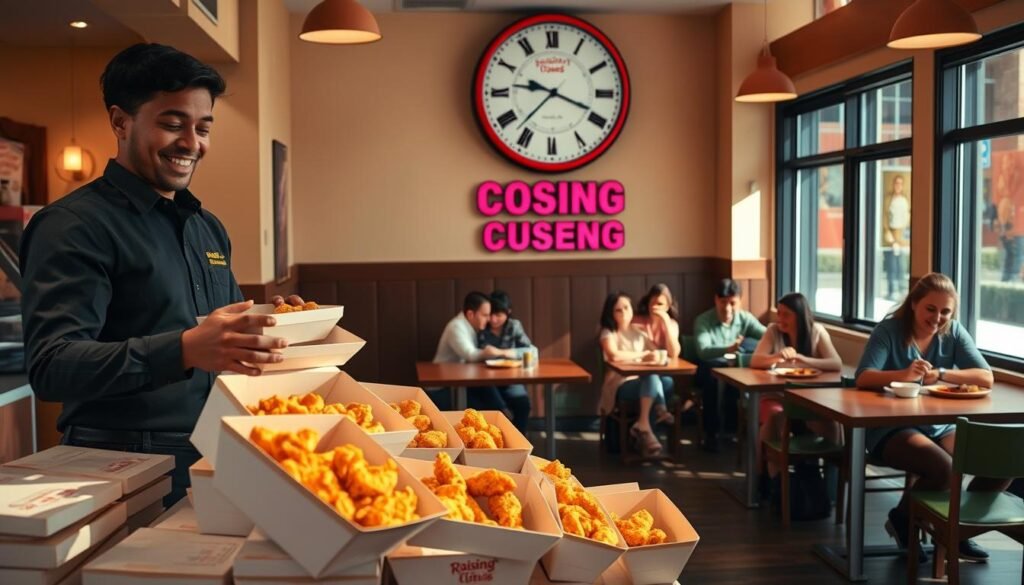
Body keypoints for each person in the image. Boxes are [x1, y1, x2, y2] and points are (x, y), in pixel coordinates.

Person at [20, 44, 293, 507]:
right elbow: (52, 366)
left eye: (203, 127)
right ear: (120, 122)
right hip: (117, 460)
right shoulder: (73, 224)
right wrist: (184, 348)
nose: (192, 142)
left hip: (216, 450)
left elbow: (220, 343)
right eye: (172, 124)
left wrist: (270, 331)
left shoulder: (207, 227)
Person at [855, 272, 1007, 563]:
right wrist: (905, 374)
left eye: (945, 311)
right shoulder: (889, 331)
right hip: (891, 427)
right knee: (944, 469)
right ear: (914, 303)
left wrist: (942, 373)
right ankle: (903, 519)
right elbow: (864, 377)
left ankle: (958, 531)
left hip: (939, 425)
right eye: (931, 309)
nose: (938, 317)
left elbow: (986, 376)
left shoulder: (954, 332)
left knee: (997, 461)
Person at [750, 292, 842, 480]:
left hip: (812, 398)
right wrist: (777, 356)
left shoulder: (816, 331)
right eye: (779, 313)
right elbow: (755, 360)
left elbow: (836, 363)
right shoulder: (773, 331)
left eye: (786, 315)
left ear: (799, 316)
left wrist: (803, 360)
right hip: (777, 395)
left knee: (832, 424)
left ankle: (826, 483)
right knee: (776, 417)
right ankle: (772, 480)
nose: (780, 319)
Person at [693, 279, 765, 452]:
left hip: (735, 369)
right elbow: (703, 351)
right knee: (713, 383)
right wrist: (729, 348)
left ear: (740, 301)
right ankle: (712, 434)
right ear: (715, 300)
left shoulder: (745, 319)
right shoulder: (703, 320)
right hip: (708, 368)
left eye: (732, 303)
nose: (727, 308)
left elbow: (766, 335)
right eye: (723, 302)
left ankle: (733, 431)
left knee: (737, 381)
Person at [598, 292, 673, 457]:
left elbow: (658, 352)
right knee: (653, 379)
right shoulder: (608, 333)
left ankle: (643, 424)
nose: (624, 313)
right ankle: (658, 410)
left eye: (626, 307)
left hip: (642, 381)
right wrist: (642, 355)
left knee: (666, 381)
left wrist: (654, 355)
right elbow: (614, 355)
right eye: (618, 310)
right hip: (620, 384)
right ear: (611, 313)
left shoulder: (639, 332)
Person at [430, 291, 516, 414]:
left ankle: (503, 413)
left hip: (460, 381)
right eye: (485, 315)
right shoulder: (456, 327)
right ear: (470, 314)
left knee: (490, 391)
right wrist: (491, 352)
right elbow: (470, 355)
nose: (489, 319)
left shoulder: (470, 325)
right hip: (442, 387)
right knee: (490, 400)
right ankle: (503, 414)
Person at [476, 290, 532, 432]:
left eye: (499, 315)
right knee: (497, 408)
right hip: (487, 381)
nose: (494, 319)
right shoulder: (482, 327)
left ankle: (520, 443)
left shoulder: (514, 326)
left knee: (523, 404)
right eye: (491, 315)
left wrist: (503, 352)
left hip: (511, 378)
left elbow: (531, 351)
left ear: (508, 312)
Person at [882, 175, 910, 299]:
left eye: (900, 183)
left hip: (902, 235)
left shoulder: (905, 200)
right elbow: (884, 216)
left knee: (902, 265)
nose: (898, 186)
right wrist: (890, 236)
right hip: (890, 235)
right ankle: (892, 290)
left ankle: (902, 289)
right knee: (891, 264)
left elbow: (908, 218)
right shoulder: (888, 199)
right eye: (896, 183)